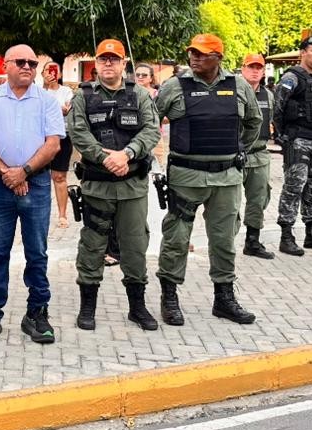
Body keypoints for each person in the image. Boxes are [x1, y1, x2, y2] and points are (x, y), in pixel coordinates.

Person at [154, 34, 259, 326]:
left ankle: (224, 299)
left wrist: (239, 148)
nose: (195, 57)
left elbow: (254, 122)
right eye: (192, 53)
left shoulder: (238, 86)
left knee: (224, 240)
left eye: (202, 53)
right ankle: (170, 296)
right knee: (176, 238)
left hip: (226, 177)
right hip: (186, 176)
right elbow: (151, 121)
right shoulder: (174, 87)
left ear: (218, 58)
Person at [66, 39, 160, 332]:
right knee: (92, 246)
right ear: (96, 63)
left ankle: (137, 308)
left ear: (123, 64)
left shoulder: (139, 95)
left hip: (132, 186)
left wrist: (127, 154)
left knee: (134, 247)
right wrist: (104, 159)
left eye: (114, 59)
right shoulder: (83, 96)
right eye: (103, 59)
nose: (108, 63)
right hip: (98, 185)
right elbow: (78, 131)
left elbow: (152, 130)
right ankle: (87, 307)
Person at [0, 44, 64, 344]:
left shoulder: (47, 102)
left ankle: (37, 314)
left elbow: (53, 144)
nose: (27, 67)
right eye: (21, 62)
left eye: (32, 62)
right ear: (7, 64)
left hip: (35, 184)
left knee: (36, 253)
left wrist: (23, 172)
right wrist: (6, 173)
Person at [272, 36, 312, 255]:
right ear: (303, 53)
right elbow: (277, 108)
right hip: (298, 140)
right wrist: (281, 135)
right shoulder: (292, 77)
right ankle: (286, 235)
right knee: (294, 187)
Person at [238, 54, 275, 260]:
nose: (255, 71)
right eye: (251, 67)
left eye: (259, 68)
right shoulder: (232, 91)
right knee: (230, 201)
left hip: (259, 153)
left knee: (259, 198)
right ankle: (224, 240)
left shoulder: (268, 95)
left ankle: (252, 240)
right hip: (236, 154)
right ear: (242, 69)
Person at [42, 62, 75, 230]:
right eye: (48, 70)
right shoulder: (39, 91)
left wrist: (55, 107)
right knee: (39, 177)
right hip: (41, 137)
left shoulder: (66, 91)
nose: (51, 73)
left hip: (62, 136)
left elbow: (67, 109)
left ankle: (62, 214)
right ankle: (41, 213)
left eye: (54, 70)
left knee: (59, 176)